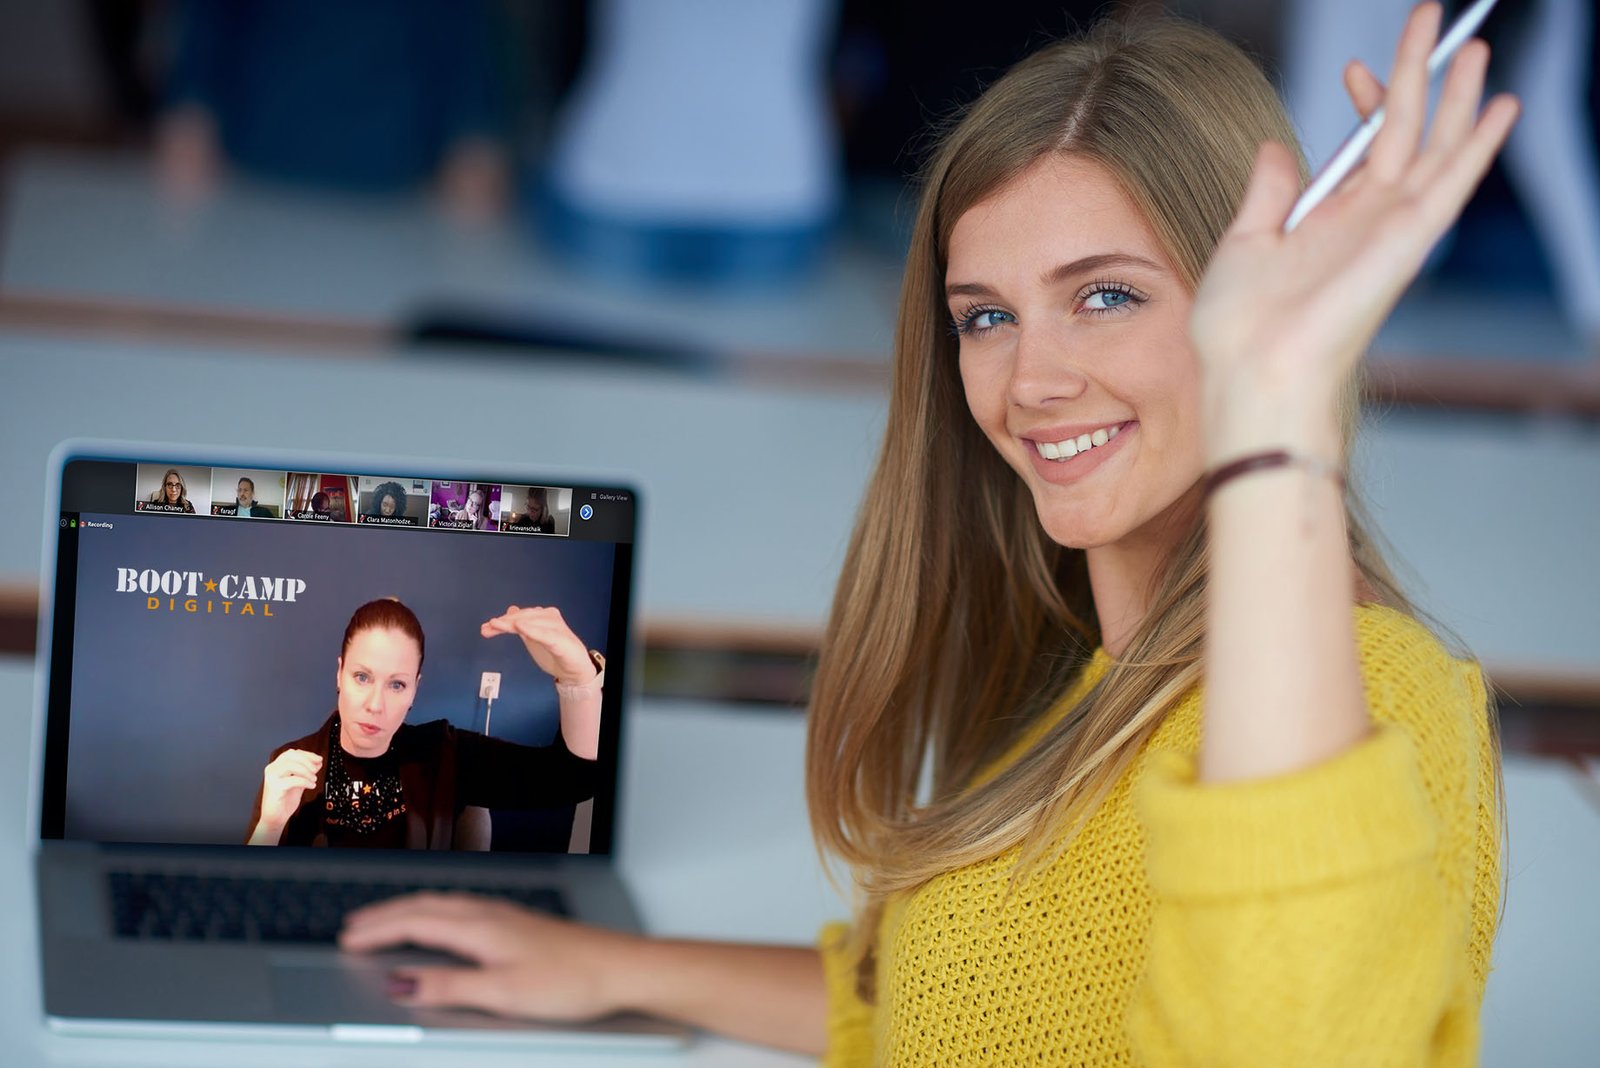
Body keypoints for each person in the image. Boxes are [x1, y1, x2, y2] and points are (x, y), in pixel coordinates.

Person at [338, 8, 1516, 1062]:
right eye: (986, 317)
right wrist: (615, 970)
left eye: (1107, 294)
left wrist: (1275, 421)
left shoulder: (1372, 698)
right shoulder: (1086, 660)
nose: (1031, 379)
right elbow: (958, 1011)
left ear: (1251, 298)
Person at [247, 597, 605, 849]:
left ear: (415, 689)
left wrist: (578, 678)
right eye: (362, 677)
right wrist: (270, 826)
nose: (376, 705)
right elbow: (253, 893)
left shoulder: (446, 755)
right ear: (339, 673)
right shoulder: (291, 764)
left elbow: (573, 780)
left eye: (396, 684)